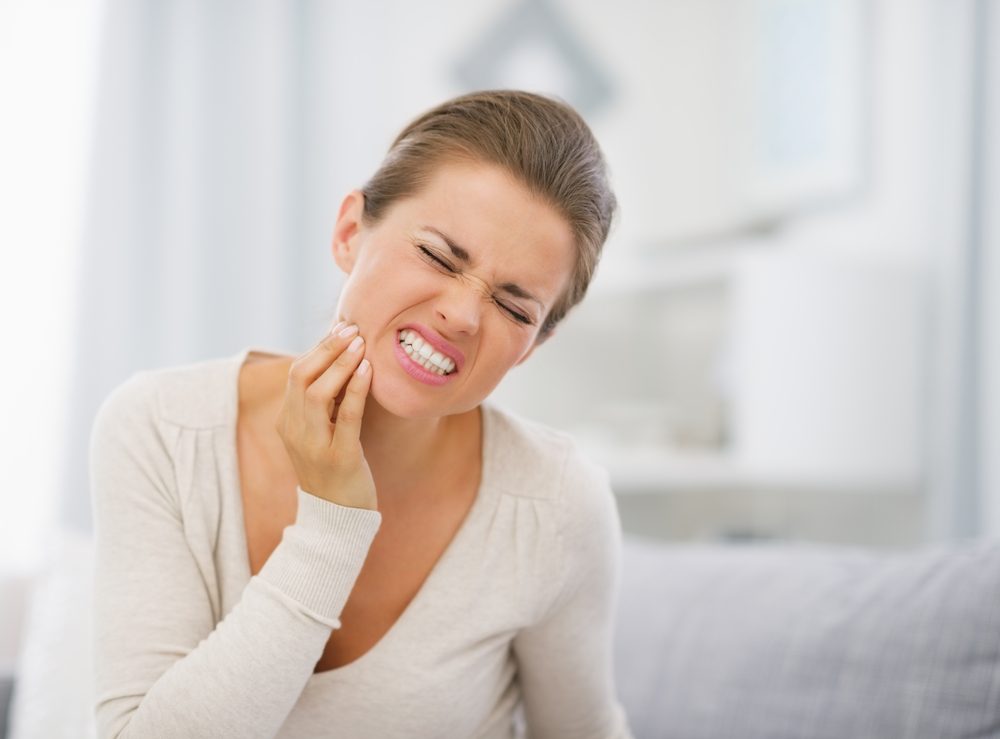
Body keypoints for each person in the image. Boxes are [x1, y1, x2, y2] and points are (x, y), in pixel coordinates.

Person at [90, 89, 633, 738]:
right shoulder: (162, 428)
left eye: (515, 309)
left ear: (533, 345)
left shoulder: (556, 504)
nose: (461, 315)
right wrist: (331, 528)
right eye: (437, 255)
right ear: (350, 232)